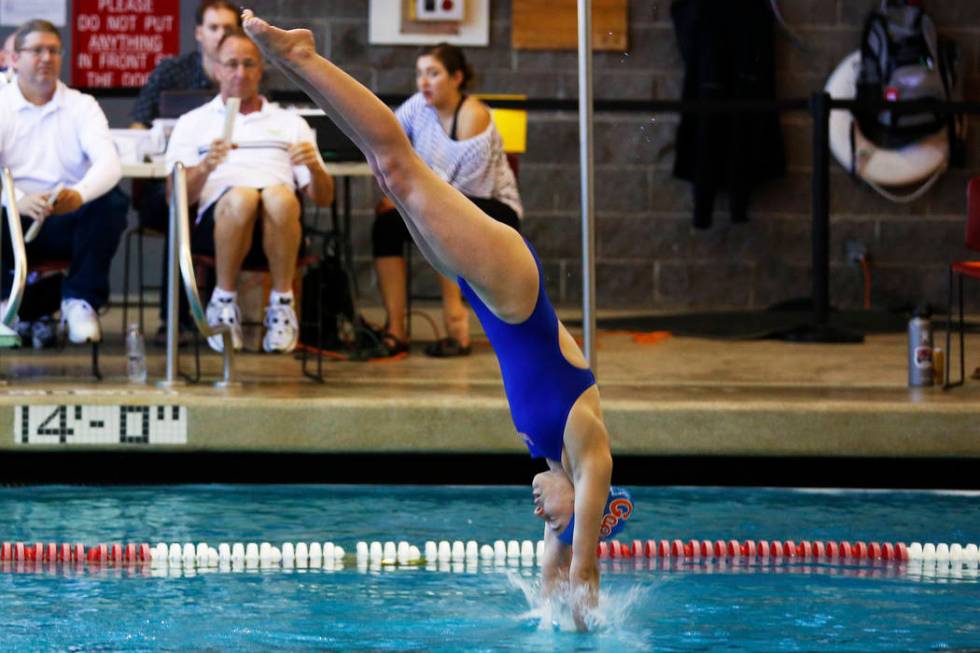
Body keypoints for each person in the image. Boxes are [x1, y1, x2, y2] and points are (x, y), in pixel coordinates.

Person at [241, 11, 630, 627]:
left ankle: (300, 65)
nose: (539, 512)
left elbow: (558, 584)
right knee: (398, 163)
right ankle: (303, 56)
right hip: (512, 287)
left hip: (490, 300)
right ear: (584, 507)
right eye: (558, 518)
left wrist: (566, 617)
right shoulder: (585, 446)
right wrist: (584, 555)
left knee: (387, 174)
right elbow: (582, 559)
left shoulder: (556, 464)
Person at [165, 29, 334, 354]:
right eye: (231, 64)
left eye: (248, 64)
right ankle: (224, 299)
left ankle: (282, 303)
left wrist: (314, 167)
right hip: (217, 225)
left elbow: (324, 198)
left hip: (280, 226)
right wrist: (205, 168)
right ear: (216, 69)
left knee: (278, 196)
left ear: (260, 69)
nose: (240, 73)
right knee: (243, 197)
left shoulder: (291, 123)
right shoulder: (192, 122)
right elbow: (176, 198)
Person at [371, 44, 522, 358]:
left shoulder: (474, 115)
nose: (424, 82)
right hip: (433, 202)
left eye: (433, 73)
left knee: (440, 223)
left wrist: (406, 201)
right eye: (420, 74)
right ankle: (395, 329)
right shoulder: (417, 106)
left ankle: (457, 326)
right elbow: (386, 143)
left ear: (456, 77)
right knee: (385, 228)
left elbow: (464, 193)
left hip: (491, 206)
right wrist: (396, 197)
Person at [0, 19, 128, 344]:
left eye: (53, 50)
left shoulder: (81, 105)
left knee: (111, 201)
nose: (46, 57)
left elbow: (110, 163)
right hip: (10, 221)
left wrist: (78, 195)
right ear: (14, 59)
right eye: (36, 50)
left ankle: (79, 301)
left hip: (65, 220)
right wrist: (15, 198)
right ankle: (4, 302)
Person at [129, 0, 241, 343]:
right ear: (198, 33)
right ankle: (174, 319)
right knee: (180, 208)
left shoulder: (242, 74)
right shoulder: (170, 72)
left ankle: (218, 311)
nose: (221, 34)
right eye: (213, 27)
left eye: (228, 28)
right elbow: (137, 125)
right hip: (170, 184)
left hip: (221, 185)